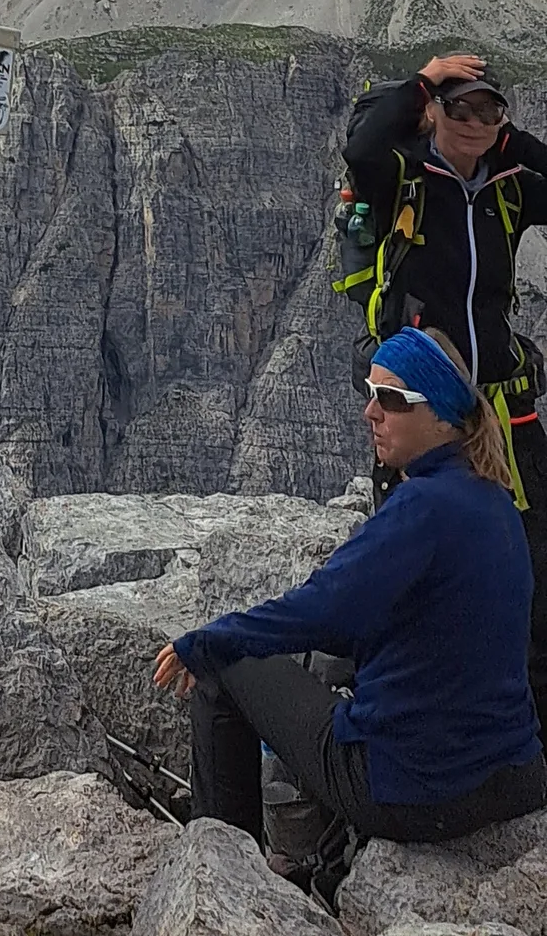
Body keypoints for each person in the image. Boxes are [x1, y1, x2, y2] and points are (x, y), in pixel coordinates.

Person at [153, 329, 547, 851]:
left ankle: (225, 864)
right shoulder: (495, 499)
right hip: (515, 775)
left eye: (391, 399)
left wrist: (205, 642)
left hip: (416, 792)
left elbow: (321, 609)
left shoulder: (420, 508)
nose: (370, 412)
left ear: (440, 414)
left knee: (224, 668)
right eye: (370, 392)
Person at [343, 50, 547, 700]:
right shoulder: (402, 174)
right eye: (460, 106)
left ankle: (528, 717)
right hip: (421, 408)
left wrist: (508, 142)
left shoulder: (509, 186)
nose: (474, 121)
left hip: (504, 411)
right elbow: (361, 150)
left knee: (534, 570)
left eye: (489, 109)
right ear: (431, 110)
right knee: (420, 568)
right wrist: (424, 78)